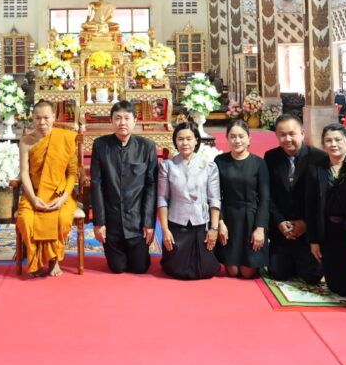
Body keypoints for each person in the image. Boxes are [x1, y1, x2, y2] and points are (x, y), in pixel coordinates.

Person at [90, 100, 158, 274]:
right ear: (111, 121)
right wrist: (99, 222)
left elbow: (151, 187)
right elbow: (96, 184)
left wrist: (149, 223)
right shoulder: (100, 145)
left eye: (127, 118)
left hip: (137, 223)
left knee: (140, 268)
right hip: (112, 222)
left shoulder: (147, 146)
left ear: (135, 121)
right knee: (117, 268)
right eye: (118, 118)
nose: (122, 123)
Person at [16, 100, 78, 277]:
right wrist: (33, 198)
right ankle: (35, 260)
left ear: (54, 117)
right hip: (34, 193)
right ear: (32, 119)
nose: (42, 123)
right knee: (26, 220)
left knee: (63, 219)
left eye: (46, 118)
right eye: (37, 118)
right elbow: (24, 173)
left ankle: (54, 260)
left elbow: (72, 174)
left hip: (60, 193)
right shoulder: (26, 142)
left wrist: (64, 197)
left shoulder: (65, 138)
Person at [264, 114, 326, 284]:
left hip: (308, 230)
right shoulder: (271, 157)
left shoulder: (319, 158)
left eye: (292, 134)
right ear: (276, 135)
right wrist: (279, 222)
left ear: (302, 133)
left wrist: (305, 223)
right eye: (282, 135)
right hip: (282, 228)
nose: (287, 139)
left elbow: (322, 198)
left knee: (311, 276)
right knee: (278, 272)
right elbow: (267, 194)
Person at [305, 123, 346, 299]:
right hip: (327, 231)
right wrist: (313, 240)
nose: (333, 144)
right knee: (335, 286)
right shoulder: (315, 168)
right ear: (323, 145)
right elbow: (310, 206)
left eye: (338, 140)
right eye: (328, 141)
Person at [157, 122, 221, 280]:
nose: (184, 143)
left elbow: (214, 199)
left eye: (188, 139)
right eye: (180, 139)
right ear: (175, 141)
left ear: (196, 140)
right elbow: (162, 199)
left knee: (206, 270)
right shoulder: (167, 166)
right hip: (177, 224)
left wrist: (214, 228)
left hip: (201, 224)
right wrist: (165, 230)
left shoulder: (209, 166)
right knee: (175, 270)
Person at [214, 119, 269, 278]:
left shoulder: (259, 163)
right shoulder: (220, 161)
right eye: (233, 136)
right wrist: (220, 223)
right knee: (233, 272)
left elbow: (265, 198)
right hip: (229, 218)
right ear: (227, 138)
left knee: (246, 273)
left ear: (249, 138)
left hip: (251, 218)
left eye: (241, 136)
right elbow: (216, 195)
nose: (237, 140)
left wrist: (260, 228)